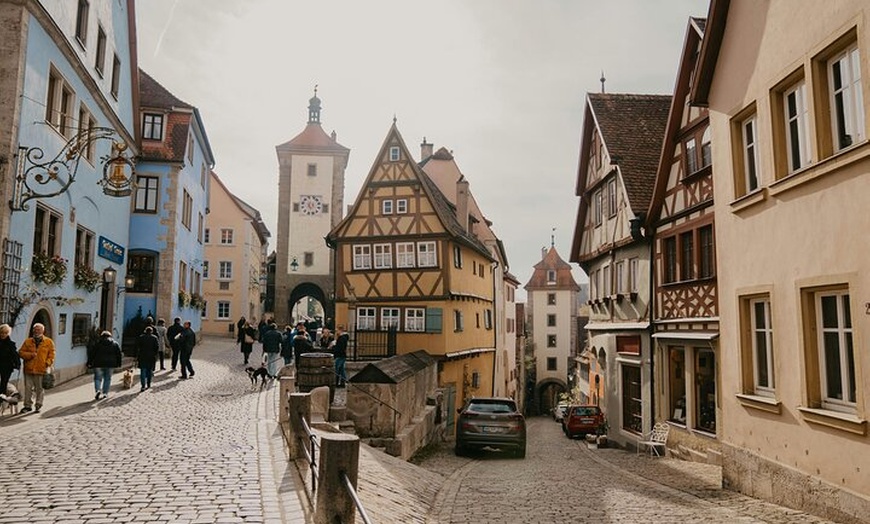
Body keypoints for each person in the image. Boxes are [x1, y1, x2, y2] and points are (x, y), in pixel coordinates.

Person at [17, 323, 55, 413]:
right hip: (29, 369)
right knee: (28, 388)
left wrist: (47, 363)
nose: (36, 331)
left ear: (43, 331)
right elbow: (21, 352)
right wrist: (30, 355)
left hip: (41, 369)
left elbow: (52, 355)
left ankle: (38, 404)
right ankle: (27, 406)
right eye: (35, 330)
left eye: (38, 330)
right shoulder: (28, 341)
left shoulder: (48, 342)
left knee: (39, 388)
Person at [87, 330, 122, 400]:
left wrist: (89, 362)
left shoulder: (97, 344)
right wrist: (119, 363)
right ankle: (105, 393)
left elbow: (92, 354)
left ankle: (98, 390)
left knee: (97, 378)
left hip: (98, 363)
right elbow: (119, 354)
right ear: (110, 336)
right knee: (107, 378)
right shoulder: (115, 344)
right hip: (110, 364)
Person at [136, 326, 159, 391]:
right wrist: (155, 355)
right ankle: (148, 384)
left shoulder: (141, 337)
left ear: (145, 331)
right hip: (151, 357)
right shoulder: (154, 338)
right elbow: (157, 347)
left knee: (143, 371)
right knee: (149, 371)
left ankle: (143, 385)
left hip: (142, 356)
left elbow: (138, 346)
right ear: (151, 331)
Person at [0, 324, 20, 397]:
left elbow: (15, 355)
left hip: (7, 367)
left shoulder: (11, 344)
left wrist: (17, 364)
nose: (3, 334)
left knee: (4, 383)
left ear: (8, 334)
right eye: (2, 332)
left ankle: (2, 398)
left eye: (5, 333)